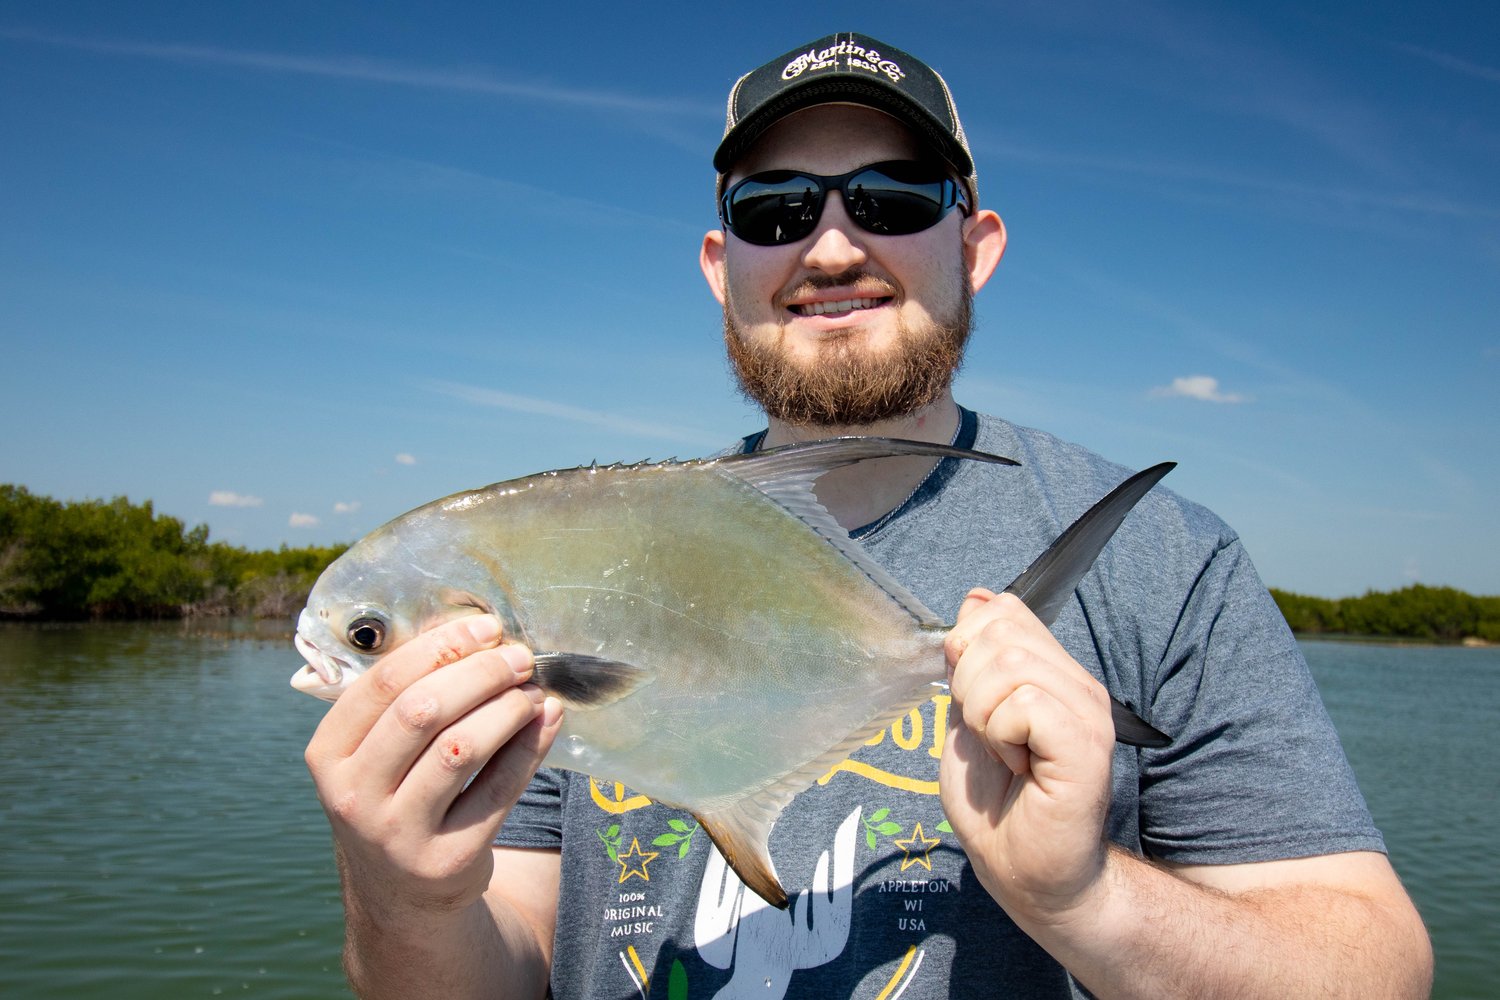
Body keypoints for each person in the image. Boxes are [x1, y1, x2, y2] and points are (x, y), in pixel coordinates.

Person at [303, 32, 1432, 999]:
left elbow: (1377, 966)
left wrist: (1085, 897)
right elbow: (501, 961)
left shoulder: (1165, 563)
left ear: (975, 246)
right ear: (720, 265)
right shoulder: (586, 551)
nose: (832, 246)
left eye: (892, 199)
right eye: (775, 208)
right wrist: (405, 890)